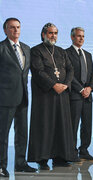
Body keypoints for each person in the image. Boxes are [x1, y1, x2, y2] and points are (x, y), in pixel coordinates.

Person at [27, 23, 75, 170]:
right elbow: (38, 71)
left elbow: (70, 69)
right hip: (45, 95)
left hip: (62, 95)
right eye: (50, 33)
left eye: (55, 33)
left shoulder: (61, 51)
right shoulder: (36, 51)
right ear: (43, 34)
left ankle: (60, 157)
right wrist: (54, 85)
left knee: (61, 125)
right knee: (45, 125)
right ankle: (42, 159)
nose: (53, 36)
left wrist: (65, 85)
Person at [0, 18, 37, 177]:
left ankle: (21, 163)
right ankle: (1, 166)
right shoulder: (1, 48)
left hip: (23, 97)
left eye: (18, 27)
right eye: (12, 28)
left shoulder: (26, 49)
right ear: (5, 30)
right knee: (2, 134)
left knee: (22, 133)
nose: (16, 30)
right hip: (5, 98)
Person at [65, 27, 93, 161]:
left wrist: (89, 88)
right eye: (78, 36)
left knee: (87, 125)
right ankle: (71, 152)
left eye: (83, 36)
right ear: (72, 37)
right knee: (73, 124)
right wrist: (81, 89)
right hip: (75, 95)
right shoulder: (66, 53)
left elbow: (92, 74)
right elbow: (69, 74)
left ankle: (84, 150)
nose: (81, 38)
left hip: (87, 95)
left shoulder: (88, 54)